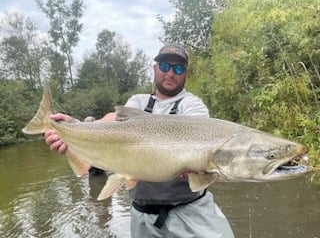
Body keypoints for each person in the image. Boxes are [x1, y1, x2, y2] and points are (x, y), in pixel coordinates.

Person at [44, 44, 235, 238]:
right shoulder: (138, 101)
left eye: (178, 68)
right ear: (155, 68)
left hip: (191, 211)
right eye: (164, 66)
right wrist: (74, 126)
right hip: (143, 215)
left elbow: (198, 131)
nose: (170, 73)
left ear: (185, 72)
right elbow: (115, 121)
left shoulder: (193, 106)